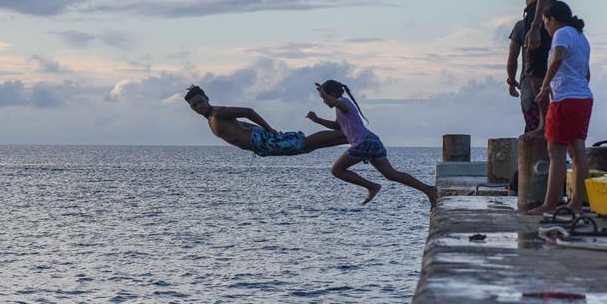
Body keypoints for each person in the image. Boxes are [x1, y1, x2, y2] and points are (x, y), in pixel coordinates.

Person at [307, 80, 437, 207]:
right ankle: (429, 190)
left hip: (363, 143)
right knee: (391, 174)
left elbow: (337, 104)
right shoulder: (339, 107)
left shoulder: (343, 102)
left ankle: (372, 186)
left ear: (333, 94)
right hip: (372, 141)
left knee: (337, 170)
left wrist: (324, 95)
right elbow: (338, 126)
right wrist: (317, 120)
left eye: (324, 98)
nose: (324, 101)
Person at [527, 1, 592, 215]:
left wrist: (545, 86)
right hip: (583, 98)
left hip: (565, 99)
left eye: (546, 23)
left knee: (555, 151)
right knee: (577, 150)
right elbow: (587, 73)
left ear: (553, 19)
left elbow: (557, 58)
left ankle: (549, 203)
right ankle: (576, 203)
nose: (545, 27)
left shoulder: (562, 33)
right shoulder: (581, 37)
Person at [501, 0, 557, 138]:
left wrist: (535, 25)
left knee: (535, 72)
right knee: (534, 71)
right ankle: (543, 124)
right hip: (534, 12)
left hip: (540, 12)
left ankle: (544, 125)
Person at [184, 85, 346, 156]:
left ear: (207, 98)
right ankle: (350, 138)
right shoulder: (211, 119)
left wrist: (268, 130)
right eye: (194, 105)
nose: (199, 106)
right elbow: (243, 125)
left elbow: (248, 112)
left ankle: (348, 135)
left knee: (303, 143)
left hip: (262, 140)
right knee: (305, 149)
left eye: (200, 101)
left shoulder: (218, 112)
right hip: (260, 145)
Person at [506, 19, 540, 133]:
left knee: (533, 133)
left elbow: (511, 61)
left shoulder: (522, 26)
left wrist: (511, 82)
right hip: (556, 90)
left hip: (529, 90)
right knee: (555, 136)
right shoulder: (558, 24)